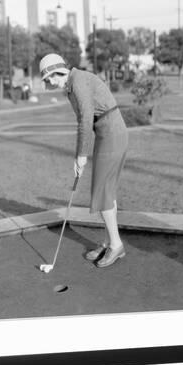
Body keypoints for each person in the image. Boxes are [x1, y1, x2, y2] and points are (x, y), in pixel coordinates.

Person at [39, 53, 128, 268]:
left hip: (111, 134)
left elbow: (86, 120)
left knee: (101, 193)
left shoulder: (77, 82)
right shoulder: (72, 84)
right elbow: (85, 120)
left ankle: (116, 245)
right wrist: (80, 155)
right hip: (108, 133)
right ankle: (108, 242)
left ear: (58, 71)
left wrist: (81, 155)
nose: (50, 82)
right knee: (105, 192)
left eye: (50, 77)